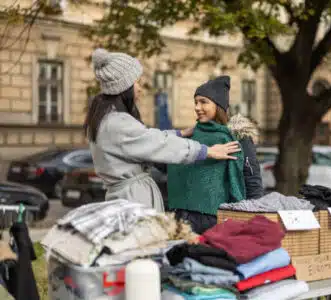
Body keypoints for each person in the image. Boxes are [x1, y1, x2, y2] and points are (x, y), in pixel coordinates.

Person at [83, 48, 240, 212]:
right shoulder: (118, 123)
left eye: (204, 102)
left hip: (125, 199)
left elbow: (147, 137)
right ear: (124, 86)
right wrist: (206, 151)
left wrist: (179, 133)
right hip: (134, 202)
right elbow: (158, 144)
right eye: (137, 82)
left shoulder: (106, 119)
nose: (140, 88)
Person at [167, 75, 264, 234]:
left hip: (220, 220)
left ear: (218, 106)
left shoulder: (239, 137)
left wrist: (255, 217)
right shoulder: (190, 136)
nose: (197, 107)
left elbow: (252, 180)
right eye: (196, 102)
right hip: (183, 219)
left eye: (203, 102)